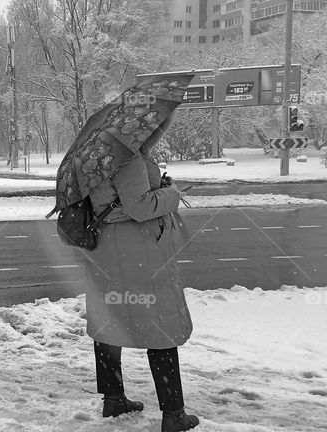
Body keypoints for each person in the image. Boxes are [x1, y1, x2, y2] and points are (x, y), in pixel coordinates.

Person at [82, 117, 199, 432]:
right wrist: (170, 194)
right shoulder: (128, 158)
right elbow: (140, 207)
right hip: (137, 249)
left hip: (107, 246)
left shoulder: (97, 156)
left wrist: (156, 185)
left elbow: (113, 198)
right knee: (159, 321)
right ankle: (174, 415)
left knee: (110, 318)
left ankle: (114, 397)